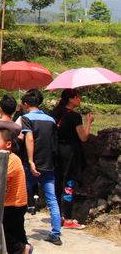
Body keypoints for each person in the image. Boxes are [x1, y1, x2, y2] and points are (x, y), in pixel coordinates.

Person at [20, 89, 62, 245]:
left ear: (25, 104)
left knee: (21, 197)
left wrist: (31, 161)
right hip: (49, 165)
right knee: (52, 200)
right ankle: (56, 233)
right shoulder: (51, 120)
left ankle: (17, 229)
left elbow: (29, 139)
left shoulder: (26, 118)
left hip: (32, 165)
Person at [52, 88, 93, 230]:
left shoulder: (55, 113)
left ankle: (57, 216)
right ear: (70, 99)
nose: (79, 99)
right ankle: (68, 217)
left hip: (56, 151)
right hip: (70, 153)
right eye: (77, 97)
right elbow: (83, 137)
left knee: (57, 184)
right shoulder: (74, 116)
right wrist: (89, 122)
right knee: (69, 184)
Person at [0, 128, 31, 254]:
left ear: (8, 144)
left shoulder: (12, 161)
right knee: (17, 233)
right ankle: (24, 247)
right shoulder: (7, 159)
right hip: (14, 203)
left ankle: (22, 249)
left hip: (13, 204)